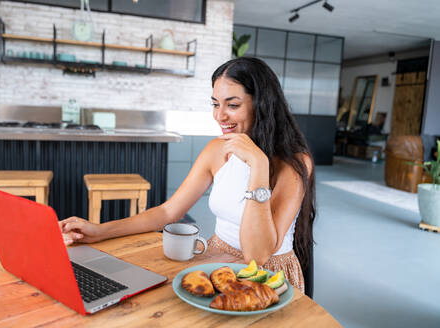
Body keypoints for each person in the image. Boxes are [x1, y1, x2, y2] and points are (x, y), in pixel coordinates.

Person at [60, 57, 316, 293]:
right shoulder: (217, 149)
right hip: (218, 258)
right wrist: (100, 231)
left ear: (262, 105)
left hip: (267, 274)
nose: (220, 116)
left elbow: (256, 255)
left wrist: (258, 166)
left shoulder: (294, 162)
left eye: (233, 105)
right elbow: (167, 212)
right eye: (216, 104)